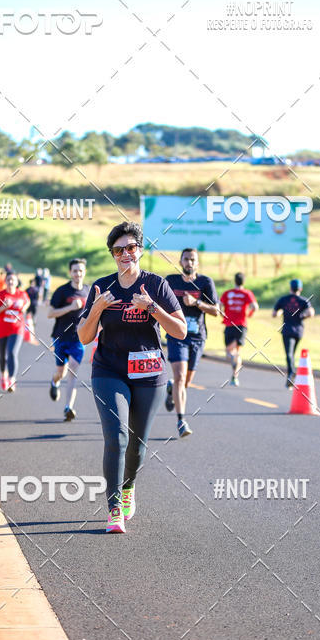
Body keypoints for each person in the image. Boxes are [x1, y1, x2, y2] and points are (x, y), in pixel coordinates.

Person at [77, 222, 186, 534]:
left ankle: (128, 488)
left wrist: (152, 308)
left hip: (149, 372)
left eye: (131, 248)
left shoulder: (157, 285)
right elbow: (84, 337)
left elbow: (179, 330)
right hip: (109, 370)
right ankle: (114, 510)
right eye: (118, 250)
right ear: (112, 255)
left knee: (137, 444)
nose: (125, 254)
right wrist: (96, 308)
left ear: (140, 249)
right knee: (117, 437)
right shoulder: (102, 287)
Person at [164, 248, 219, 437]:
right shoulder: (171, 281)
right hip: (176, 336)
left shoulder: (205, 282)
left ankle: (172, 391)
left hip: (197, 337)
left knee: (185, 382)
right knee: (180, 377)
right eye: (186, 259)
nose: (189, 263)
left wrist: (196, 303)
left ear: (197, 263)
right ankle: (181, 420)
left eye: (192, 260)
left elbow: (216, 311)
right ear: (180, 262)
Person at [47, 258, 90, 421]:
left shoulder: (88, 291)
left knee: (73, 369)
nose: (78, 273)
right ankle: (54, 381)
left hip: (78, 339)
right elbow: (50, 313)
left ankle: (68, 407)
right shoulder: (62, 291)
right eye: (75, 271)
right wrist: (70, 308)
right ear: (70, 273)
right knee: (61, 372)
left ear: (84, 272)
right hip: (60, 337)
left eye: (80, 270)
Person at [0, 272, 30, 392]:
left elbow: (27, 302)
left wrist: (24, 307)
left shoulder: (22, 294)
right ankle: (3, 375)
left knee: (12, 353)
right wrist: (3, 307)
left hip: (17, 329)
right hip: (0, 330)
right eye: (9, 280)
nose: (11, 282)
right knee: (3, 356)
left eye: (13, 280)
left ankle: (11, 379)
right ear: (5, 282)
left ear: (17, 282)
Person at [272, 278, 315, 388]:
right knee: (292, 353)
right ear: (300, 288)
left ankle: (291, 373)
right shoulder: (303, 300)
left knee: (289, 353)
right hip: (298, 331)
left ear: (290, 288)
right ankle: (291, 374)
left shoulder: (284, 299)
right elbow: (311, 312)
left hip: (287, 330)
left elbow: (274, 313)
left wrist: (280, 312)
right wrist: (302, 316)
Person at [219, 273, 258, 386]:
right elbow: (255, 306)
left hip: (230, 325)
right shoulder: (247, 293)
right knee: (237, 352)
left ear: (234, 281)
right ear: (244, 282)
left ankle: (234, 373)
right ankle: (235, 376)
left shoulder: (227, 293)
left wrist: (223, 314)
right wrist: (250, 314)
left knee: (229, 352)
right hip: (241, 326)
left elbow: (219, 306)